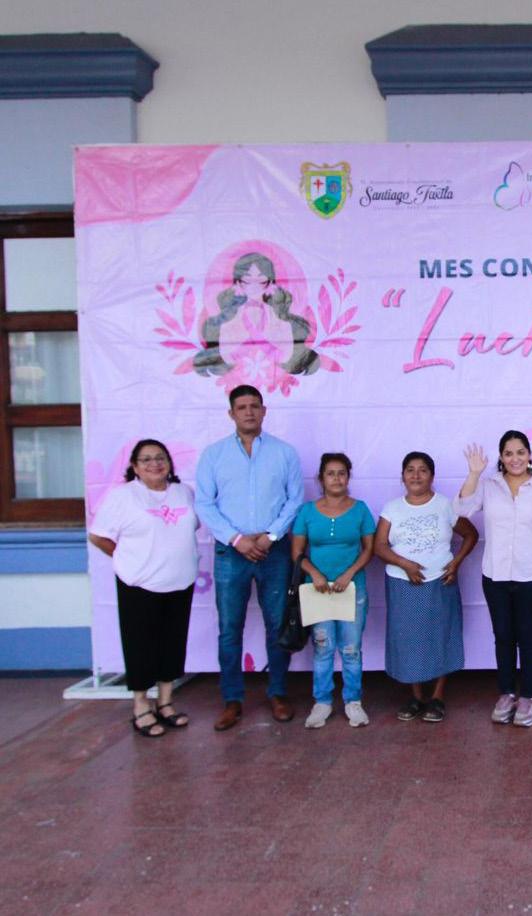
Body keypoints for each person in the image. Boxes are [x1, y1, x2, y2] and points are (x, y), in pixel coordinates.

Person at [195, 384, 304, 731]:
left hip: (274, 551)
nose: (249, 412)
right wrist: (237, 539)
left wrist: (270, 536)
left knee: (277, 625)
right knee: (230, 629)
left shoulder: (284, 453)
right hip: (231, 552)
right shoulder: (213, 455)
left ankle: (278, 692)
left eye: (254, 406)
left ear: (264, 410)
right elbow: (204, 504)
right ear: (231, 413)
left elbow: (295, 499)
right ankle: (232, 699)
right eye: (241, 407)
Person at [88, 440, 199, 738]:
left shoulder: (183, 492)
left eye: (160, 457)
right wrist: (125, 558)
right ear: (135, 467)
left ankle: (165, 702)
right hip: (139, 583)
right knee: (140, 644)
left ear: (169, 463)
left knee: (172, 643)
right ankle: (141, 705)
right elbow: (98, 536)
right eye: (146, 459)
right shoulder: (123, 496)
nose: (155, 464)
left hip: (180, 579)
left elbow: (189, 528)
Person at [457, 432, 532, 728]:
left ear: (529, 455)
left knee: (528, 638)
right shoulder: (488, 486)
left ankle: (528, 697)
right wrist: (474, 473)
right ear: (501, 457)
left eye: (520, 452)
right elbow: (462, 510)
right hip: (495, 575)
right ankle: (506, 694)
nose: (515, 459)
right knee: (503, 637)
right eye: (508, 453)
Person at [374, 451, 478, 723]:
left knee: (440, 636)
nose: (416, 475)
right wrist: (405, 564)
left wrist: (455, 563)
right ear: (402, 476)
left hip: (439, 583)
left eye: (423, 470)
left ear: (432, 476)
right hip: (402, 584)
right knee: (408, 639)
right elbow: (379, 546)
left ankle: (437, 697)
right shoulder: (392, 509)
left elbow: (471, 534)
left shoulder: (445, 506)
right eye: (410, 470)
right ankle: (416, 697)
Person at [291, 453, 376, 728]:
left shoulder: (360, 509)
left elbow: (369, 549)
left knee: (351, 649)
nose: (336, 478)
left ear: (348, 477)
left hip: (352, 589)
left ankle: (353, 702)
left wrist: (349, 573)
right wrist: (314, 573)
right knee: (322, 647)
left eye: (342, 473)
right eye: (330, 473)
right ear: (321, 478)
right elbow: (296, 552)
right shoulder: (307, 511)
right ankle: (322, 702)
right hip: (317, 590)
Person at [194, 252, 319, 380]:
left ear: (270, 282)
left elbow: (285, 357)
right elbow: (227, 358)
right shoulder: (228, 322)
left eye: (261, 280)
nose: (254, 285)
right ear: (238, 282)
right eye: (247, 279)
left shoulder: (281, 321)